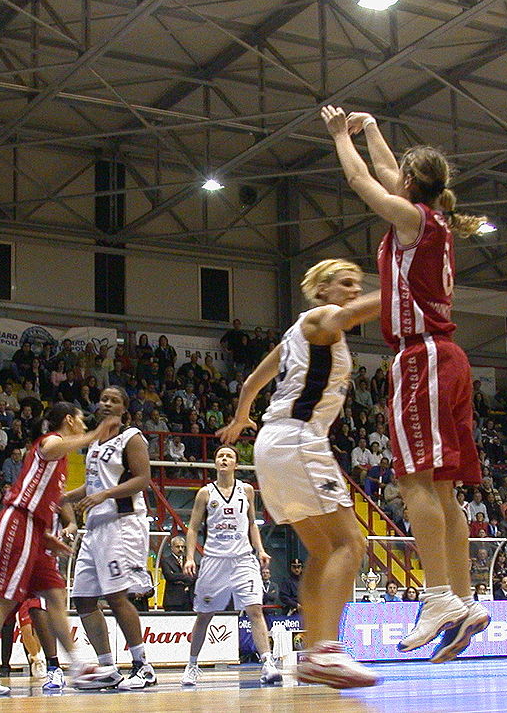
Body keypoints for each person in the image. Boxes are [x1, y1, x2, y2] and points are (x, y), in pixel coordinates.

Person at [322, 105, 490, 663]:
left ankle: (439, 596)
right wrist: (370, 129)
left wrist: (337, 137)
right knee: (443, 490)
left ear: (412, 186)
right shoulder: (428, 219)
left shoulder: (414, 221)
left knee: (414, 480)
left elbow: (361, 180)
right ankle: (464, 600)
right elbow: (389, 171)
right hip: (448, 357)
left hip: (422, 357)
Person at [219, 257, 381, 688]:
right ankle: (327, 649)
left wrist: (240, 418)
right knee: (351, 542)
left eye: (358, 284)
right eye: (346, 283)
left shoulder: (297, 331)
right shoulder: (325, 318)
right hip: (298, 440)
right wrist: (406, 287)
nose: (353, 290)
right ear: (323, 289)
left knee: (324, 551)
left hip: (274, 443)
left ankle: (313, 652)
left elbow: (253, 379)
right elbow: (351, 313)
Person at [0, 403, 111, 695]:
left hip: (35, 530)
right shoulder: (51, 441)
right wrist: (95, 435)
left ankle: (77, 666)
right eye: (81, 421)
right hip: (18, 520)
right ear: (69, 420)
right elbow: (54, 445)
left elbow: (48, 501)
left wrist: (45, 536)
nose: (84, 425)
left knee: (55, 593)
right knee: (3, 598)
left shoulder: (63, 459)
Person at [64, 386, 157, 691]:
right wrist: (62, 498)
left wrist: (104, 494)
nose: (106, 403)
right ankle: (107, 668)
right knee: (83, 598)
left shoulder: (131, 437)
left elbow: (142, 480)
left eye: (114, 400)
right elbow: (93, 487)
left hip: (122, 524)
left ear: (124, 409)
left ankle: (143, 666)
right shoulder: (93, 442)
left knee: (117, 596)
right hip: (95, 526)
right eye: (103, 398)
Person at [181, 445, 280, 687]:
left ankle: (267, 663)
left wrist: (260, 550)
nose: (224, 459)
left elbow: (252, 524)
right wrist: (190, 557)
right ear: (216, 463)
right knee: (204, 616)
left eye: (229, 456)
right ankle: (192, 665)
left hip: (243, 558)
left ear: (236, 463)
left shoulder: (246, 491)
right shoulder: (205, 493)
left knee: (255, 609)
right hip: (214, 559)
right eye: (220, 456)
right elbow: (193, 528)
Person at [161, 535, 193, 611]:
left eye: (182, 547)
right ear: (172, 548)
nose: (181, 549)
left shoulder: (189, 561)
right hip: (173, 601)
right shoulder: (166, 561)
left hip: (188, 600)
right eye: (178, 547)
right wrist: (186, 576)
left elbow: (194, 576)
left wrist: (178, 577)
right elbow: (170, 576)